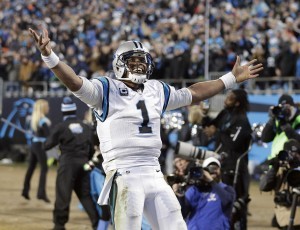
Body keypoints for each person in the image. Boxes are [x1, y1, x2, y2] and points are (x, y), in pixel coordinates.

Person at [29, 27, 263, 230]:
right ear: (120, 64)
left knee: (176, 224)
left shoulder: (156, 90)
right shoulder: (105, 89)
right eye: (134, 61)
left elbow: (194, 93)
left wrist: (230, 78)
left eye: (143, 60)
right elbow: (74, 81)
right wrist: (50, 56)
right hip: (124, 174)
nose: (140, 65)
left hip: (154, 172)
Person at [44, 97, 99, 230]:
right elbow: (91, 148)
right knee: (85, 195)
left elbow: (47, 146)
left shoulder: (61, 127)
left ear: (63, 112)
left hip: (67, 164)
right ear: (74, 110)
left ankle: (59, 225)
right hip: (84, 164)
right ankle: (97, 222)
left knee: (63, 194)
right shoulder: (85, 126)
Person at [203, 89, 253, 229]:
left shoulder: (242, 121)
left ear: (237, 103)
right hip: (221, 164)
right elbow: (210, 126)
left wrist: (217, 131)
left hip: (235, 168)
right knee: (218, 200)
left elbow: (233, 144)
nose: (225, 100)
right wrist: (205, 116)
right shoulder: (225, 114)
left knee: (236, 204)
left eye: (230, 98)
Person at [172, 157, 236, 230]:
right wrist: (181, 197)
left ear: (220, 170)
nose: (213, 171)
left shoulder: (227, 189)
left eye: (216, 168)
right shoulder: (195, 189)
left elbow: (227, 200)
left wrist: (211, 181)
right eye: (210, 168)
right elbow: (183, 213)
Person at [259, 139, 300, 229]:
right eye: (290, 154)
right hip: (283, 219)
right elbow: (263, 186)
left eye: (296, 154)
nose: (293, 157)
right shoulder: (280, 171)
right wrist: (274, 166)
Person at [22, 99, 51, 203]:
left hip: (34, 145)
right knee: (44, 168)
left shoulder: (34, 119)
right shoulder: (43, 121)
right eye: (47, 106)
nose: (48, 108)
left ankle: (25, 191)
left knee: (31, 168)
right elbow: (49, 137)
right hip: (40, 146)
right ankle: (41, 193)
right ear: (43, 108)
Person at [261, 94, 300, 160]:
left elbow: (298, 139)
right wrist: (272, 119)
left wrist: (285, 125)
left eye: (287, 108)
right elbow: (265, 139)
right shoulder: (278, 120)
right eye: (282, 108)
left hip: (293, 163)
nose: (285, 111)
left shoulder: (298, 119)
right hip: (276, 162)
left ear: (293, 107)